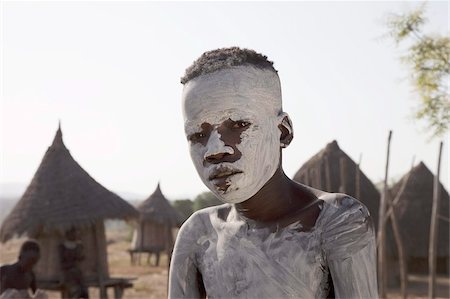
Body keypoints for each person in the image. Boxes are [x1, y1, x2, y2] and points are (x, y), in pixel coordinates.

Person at [168, 47, 378, 298]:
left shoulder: (335, 221)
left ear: (283, 131)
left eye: (239, 125)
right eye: (197, 135)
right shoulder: (199, 233)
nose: (214, 150)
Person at [59, 227, 89, 299]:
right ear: (67, 234)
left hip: (77, 273)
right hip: (68, 273)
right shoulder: (62, 246)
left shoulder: (78, 246)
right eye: (72, 233)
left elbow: (82, 257)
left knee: (84, 289)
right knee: (75, 290)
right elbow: (62, 262)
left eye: (75, 233)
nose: (74, 235)